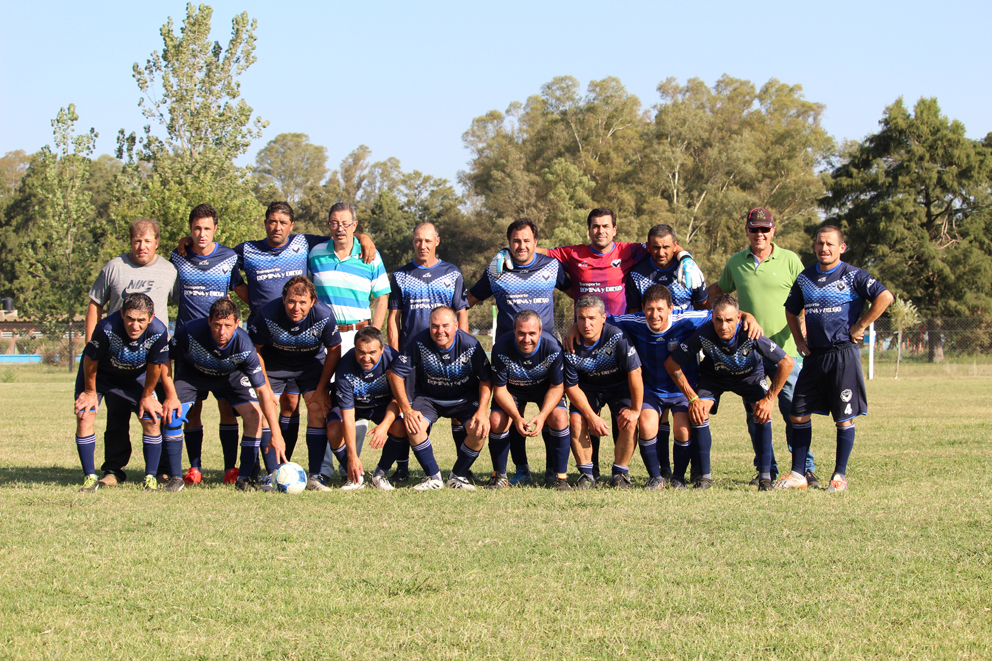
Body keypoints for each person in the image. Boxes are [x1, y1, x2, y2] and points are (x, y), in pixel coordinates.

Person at [179, 201, 374, 470]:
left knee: (292, 403)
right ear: (265, 223)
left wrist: (364, 237)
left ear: (291, 226)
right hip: (267, 339)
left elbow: (340, 237)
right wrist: (187, 240)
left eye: (283, 223)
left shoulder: (302, 244)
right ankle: (265, 469)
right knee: (263, 405)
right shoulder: (247, 250)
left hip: (303, 344)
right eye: (272, 221)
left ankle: (294, 465)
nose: (277, 227)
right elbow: (215, 255)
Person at [776, 226, 893, 492]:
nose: (823, 248)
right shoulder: (805, 277)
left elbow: (885, 297)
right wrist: (799, 340)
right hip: (814, 357)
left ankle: (839, 476)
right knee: (798, 414)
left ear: (842, 247)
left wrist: (861, 325)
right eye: (819, 243)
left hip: (843, 355)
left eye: (829, 243)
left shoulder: (852, 275)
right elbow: (791, 310)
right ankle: (798, 474)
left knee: (843, 419)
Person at [709, 207, 814, 485]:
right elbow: (720, 292)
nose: (760, 234)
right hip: (750, 355)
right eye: (754, 229)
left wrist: (805, 324)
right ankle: (766, 469)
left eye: (764, 229)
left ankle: (804, 468)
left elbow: (809, 294)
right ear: (746, 231)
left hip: (787, 351)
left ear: (773, 231)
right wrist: (684, 300)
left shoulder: (790, 260)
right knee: (756, 414)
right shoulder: (735, 262)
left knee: (795, 411)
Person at [467, 218, 570, 485]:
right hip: (509, 357)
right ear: (508, 243)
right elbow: (467, 299)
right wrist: (455, 329)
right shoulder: (497, 270)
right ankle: (517, 470)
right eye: (515, 241)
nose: (521, 245)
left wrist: (577, 328)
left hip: (544, 356)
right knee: (505, 417)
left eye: (526, 240)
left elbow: (577, 292)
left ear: (536, 242)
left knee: (556, 416)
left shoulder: (551, 266)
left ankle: (553, 472)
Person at [664, 294, 794, 490]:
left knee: (762, 414)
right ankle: (704, 477)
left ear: (738, 318)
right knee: (699, 413)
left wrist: (769, 399)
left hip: (749, 377)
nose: (723, 326)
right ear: (712, 317)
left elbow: (787, 362)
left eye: (729, 320)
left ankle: (765, 477)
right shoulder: (703, 333)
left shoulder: (750, 332)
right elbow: (671, 363)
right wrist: (693, 398)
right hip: (714, 377)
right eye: (718, 320)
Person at [84, 219, 177, 487]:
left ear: (157, 243)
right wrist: (92, 343)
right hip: (115, 359)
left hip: (153, 360)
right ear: (130, 241)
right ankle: (113, 470)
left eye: (148, 241)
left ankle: (160, 471)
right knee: (117, 416)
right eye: (137, 240)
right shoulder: (114, 268)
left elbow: (184, 303)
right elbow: (95, 303)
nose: (142, 246)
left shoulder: (169, 271)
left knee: (155, 412)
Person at [162, 299, 286, 492]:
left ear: (237, 324)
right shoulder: (190, 331)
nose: (222, 332)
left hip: (230, 376)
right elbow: (165, 358)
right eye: (217, 325)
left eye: (228, 326)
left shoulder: (244, 346)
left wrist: (276, 433)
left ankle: (244, 478)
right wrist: (170, 395)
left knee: (254, 415)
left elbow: (262, 391)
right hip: (192, 374)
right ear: (209, 321)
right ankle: (175, 479)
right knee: (173, 414)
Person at [309, 202, 391, 477]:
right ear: (328, 224)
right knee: (323, 401)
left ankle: (351, 467)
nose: (339, 228)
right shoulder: (315, 253)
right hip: (325, 341)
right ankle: (324, 469)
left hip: (359, 338)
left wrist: (374, 336)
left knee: (355, 401)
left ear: (355, 226)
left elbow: (381, 296)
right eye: (334, 222)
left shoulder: (370, 254)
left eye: (346, 223)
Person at [385, 221, 469, 483]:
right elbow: (393, 318)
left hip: (447, 358)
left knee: (458, 413)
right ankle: (402, 467)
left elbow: (461, 314)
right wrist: (397, 353)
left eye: (428, 240)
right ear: (413, 242)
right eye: (418, 240)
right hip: (413, 358)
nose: (423, 245)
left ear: (437, 241)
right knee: (407, 411)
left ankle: (459, 470)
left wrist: (462, 347)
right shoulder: (400, 275)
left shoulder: (452, 273)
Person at [169, 203, 244, 485]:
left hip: (222, 346)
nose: (202, 234)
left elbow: (239, 288)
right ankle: (194, 468)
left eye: (207, 229)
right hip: (189, 347)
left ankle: (230, 468)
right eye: (196, 229)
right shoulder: (178, 257)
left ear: (215, 229)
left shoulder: (228, 257)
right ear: (190, 230)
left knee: (227, 406)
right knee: (192, 410)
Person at [247, 276, 341, 490]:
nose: (296, 307)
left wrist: (321, 389)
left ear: (313, 301)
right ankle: (273, 474)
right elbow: (256, 350)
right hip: (274, 365)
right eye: (291, 301)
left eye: (302, 302)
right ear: (283, 299)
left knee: (317, 408)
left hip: (310, 365)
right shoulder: (267, 314)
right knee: (265, 410)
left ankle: (316, 476)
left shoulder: (323, 315)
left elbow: (334, 350)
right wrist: (265, 387)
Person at [386, 306, 493, 490]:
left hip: (464, 398)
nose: (440, 331)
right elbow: (394, 374)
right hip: (429, 398)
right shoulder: (419, 342)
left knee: (479, 430)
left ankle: (457, 477)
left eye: (445, 325)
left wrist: (482, 411)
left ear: (456, 325)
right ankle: (433, 477)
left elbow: (486, 378)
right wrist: (407, 409)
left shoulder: (470, 345)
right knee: (413, 426)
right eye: (435, 326)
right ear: (429, 326)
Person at [73, 294, 172, 492]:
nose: (135, 326)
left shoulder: (159, 330)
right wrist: (90, 391)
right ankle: (90, 477)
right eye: (130, 319)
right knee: (85, 415)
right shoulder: (106, 328)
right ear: (121, 314)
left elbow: (156, 366)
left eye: (141, 320)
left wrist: (147, 396)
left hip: (136, 377)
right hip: (100, 376)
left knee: (152, 418)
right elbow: (90, 359)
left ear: (150, 318)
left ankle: (150, 478)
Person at [562, 295, 643, 489]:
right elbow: (571, 387)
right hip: (588, 388)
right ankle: (587, 474)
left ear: (603, 318)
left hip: (619, 386)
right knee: (576, 420)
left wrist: (636, 410)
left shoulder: (617, 336)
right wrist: (591, 417)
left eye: (592, 318)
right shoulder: (570, 345)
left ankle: (620, 474)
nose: (586, 324)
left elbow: (635, 372)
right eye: (581, 318)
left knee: (629, 421)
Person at [487, 310, 571, 490]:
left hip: (544, 388)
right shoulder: (501, 347)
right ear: (514, 331)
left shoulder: (552, 347)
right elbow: (500, 389)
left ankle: (558, 476)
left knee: (559, 417)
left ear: (540, 331)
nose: (527, 339)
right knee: (497, 420)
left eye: (532, 333)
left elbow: (557, 387)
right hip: (513, 389)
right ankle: (503, 475)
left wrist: (542, 416)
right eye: (521, 333)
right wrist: (516, 417)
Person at [330, 326, 409, 491]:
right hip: (354, 405)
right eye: (361, 352)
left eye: (372, 352)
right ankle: (354, 476)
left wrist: (384, 426)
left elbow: (399, 399)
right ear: (354, 349)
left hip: (381, 404)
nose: (366, 358)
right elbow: (348, 416)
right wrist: (352, 455)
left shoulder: (394, 360)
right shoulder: (345, 367)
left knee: (401, 427)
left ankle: (379, 475)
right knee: (334, 428)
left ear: (382, 349)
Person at [626, 224, 708, 313]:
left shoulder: (690, 270)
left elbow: (704, 308)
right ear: (648, 247)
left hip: (686, 326)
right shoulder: (636, 275)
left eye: (666, 247)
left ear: (675, 246)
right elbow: (633, 313)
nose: (661, 253)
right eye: (656, 247)